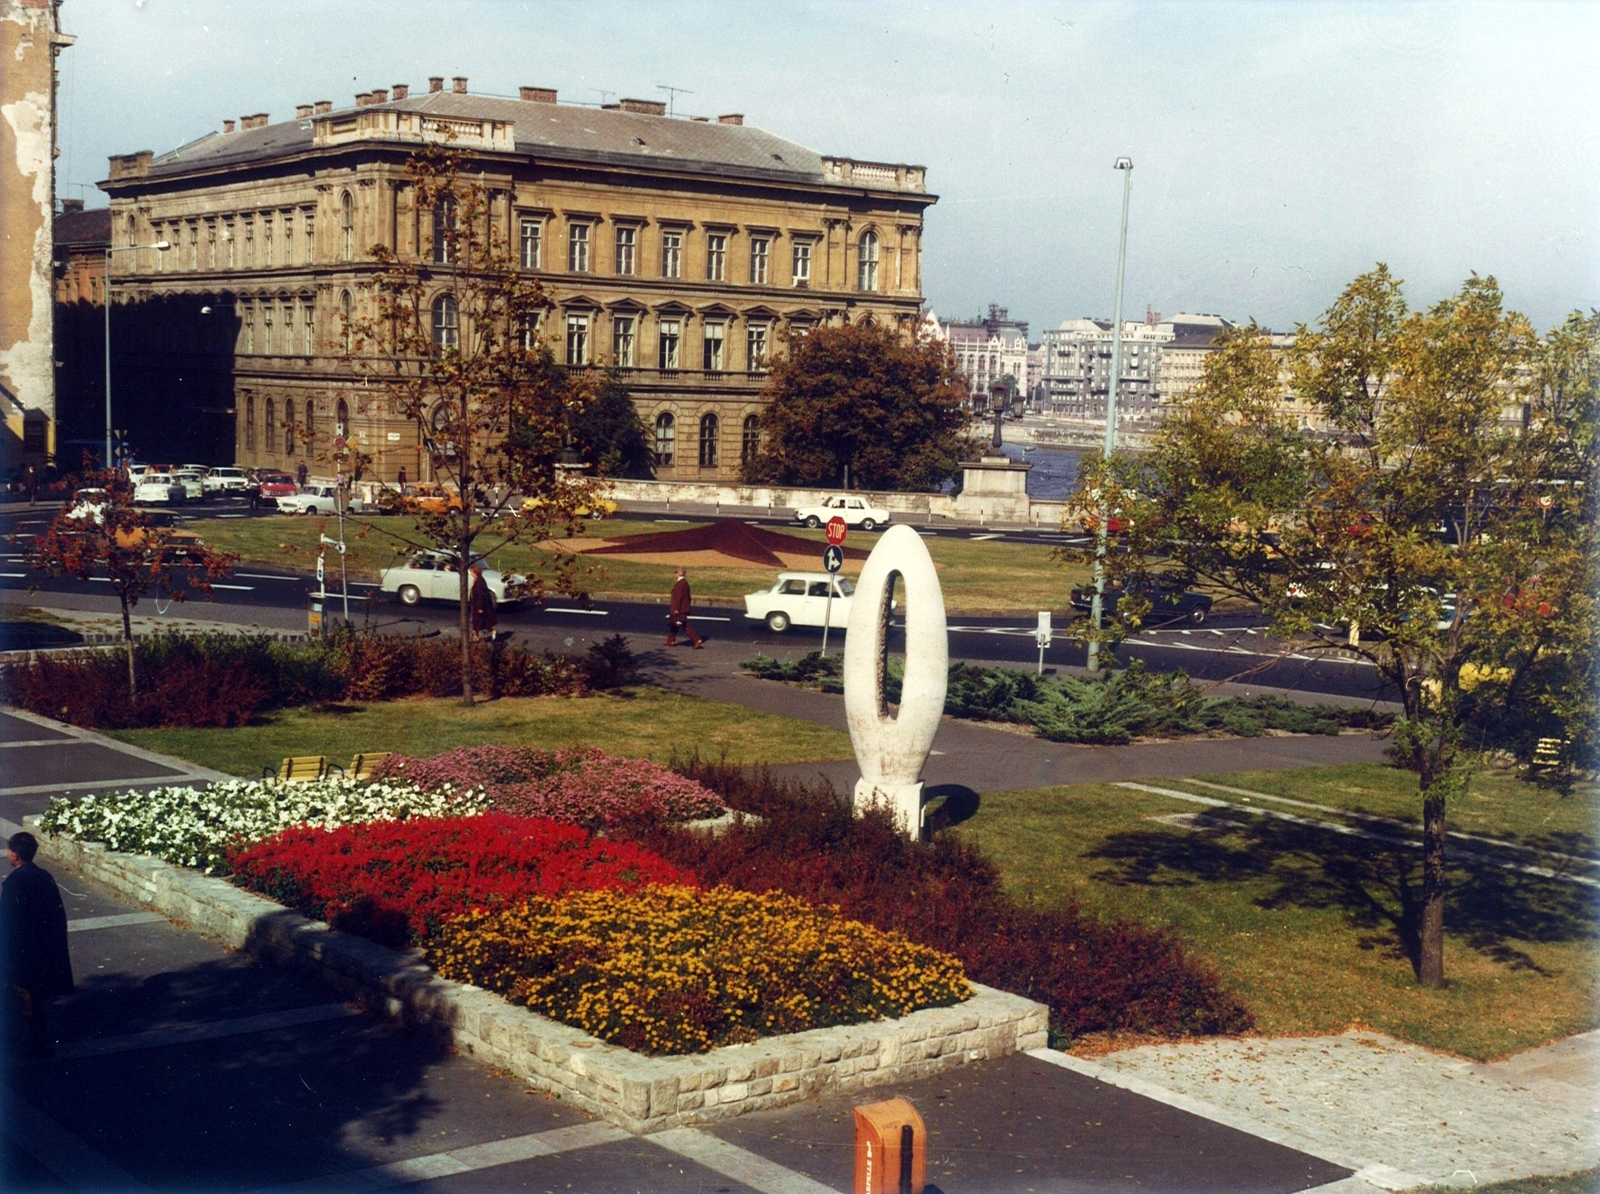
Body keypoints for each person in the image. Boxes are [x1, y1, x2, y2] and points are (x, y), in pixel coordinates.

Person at [1, 833, 73, 1059]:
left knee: (23, 999)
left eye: (9, 850)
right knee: (38, 1000)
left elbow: (9, 920)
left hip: (23, 952)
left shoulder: (15, 882)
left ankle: (29, 1045)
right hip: (44, 950)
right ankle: (40, 1043)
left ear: (16, 854)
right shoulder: (44, 876)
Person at [665, 567, 703, 648]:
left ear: (679, 573)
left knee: (684, 625)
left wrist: (676, 609)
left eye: (676, 572)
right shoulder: (685, 583)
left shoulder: (680, 584)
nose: (675, 574)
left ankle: (696, 639)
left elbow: (678, 597)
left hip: (680, 609)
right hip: (683, 607)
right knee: (675, 624)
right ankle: (670, 641)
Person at [468, 564, 497, 642]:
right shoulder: (477, 580)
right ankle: (475, 636)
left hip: (478, 605)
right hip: (475, 603)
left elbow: (481, 595)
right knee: (476, 621)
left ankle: (491, 631)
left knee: (480, 620)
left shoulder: (480, 582)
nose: (470, 573)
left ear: (475, 572)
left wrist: (480, 607)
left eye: (471, 572)